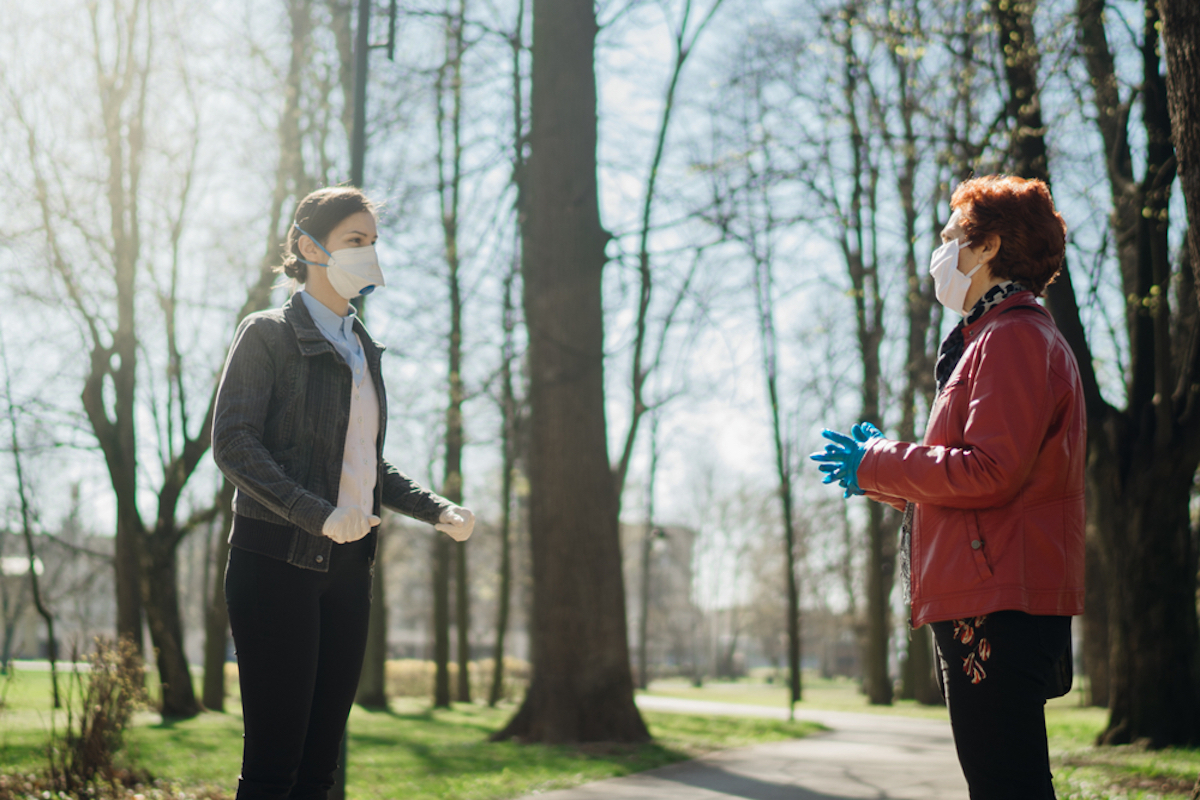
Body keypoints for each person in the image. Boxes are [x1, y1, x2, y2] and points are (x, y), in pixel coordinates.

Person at [811, 175, 1085, 799]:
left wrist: (881, 460)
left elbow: (989, 470)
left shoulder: (1012, 337)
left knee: (1006, 787)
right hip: (990, 598)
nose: (940, 252)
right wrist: (876, 475)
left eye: (950, 236)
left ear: (987, 247)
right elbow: (986, 478)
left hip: (997, 606)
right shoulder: (994, 337)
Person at [212, 186, 474, 800]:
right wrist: (317, 514)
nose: (369, 253)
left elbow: (364, 462)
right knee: (274, 770)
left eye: (373, 242)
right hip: (275, 564)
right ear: (310, 248)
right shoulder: (268, 333)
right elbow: (234, 443)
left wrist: (435, 508)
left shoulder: (362, 348)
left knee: (319, 772)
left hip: (350, 571)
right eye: (355, 240)